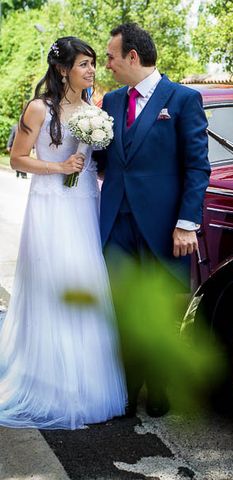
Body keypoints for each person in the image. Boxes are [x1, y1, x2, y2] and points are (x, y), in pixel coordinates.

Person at [0, 37, 126, 429]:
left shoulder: (94, 111)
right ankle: (51, 384)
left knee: (86, 285)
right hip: (51, 208)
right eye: (85, 64)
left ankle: (86, 385)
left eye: (93, 63)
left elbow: (97, 161)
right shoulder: (38, 109)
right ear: (62, 69)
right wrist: (59, 168)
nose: (92, 70)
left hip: (86, 205)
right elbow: (16, 157)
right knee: (54, 286)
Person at [96, 23, 210, 418]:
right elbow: (104, 158)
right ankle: (127, 387)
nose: (106, 64)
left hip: (164, 226)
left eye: (111, 56)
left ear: (132, 57)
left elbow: (197, 167)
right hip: (114, 223)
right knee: (121, 305)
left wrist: (186, 222)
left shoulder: (182, 99)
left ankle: (159, 385)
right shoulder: (109, 102)